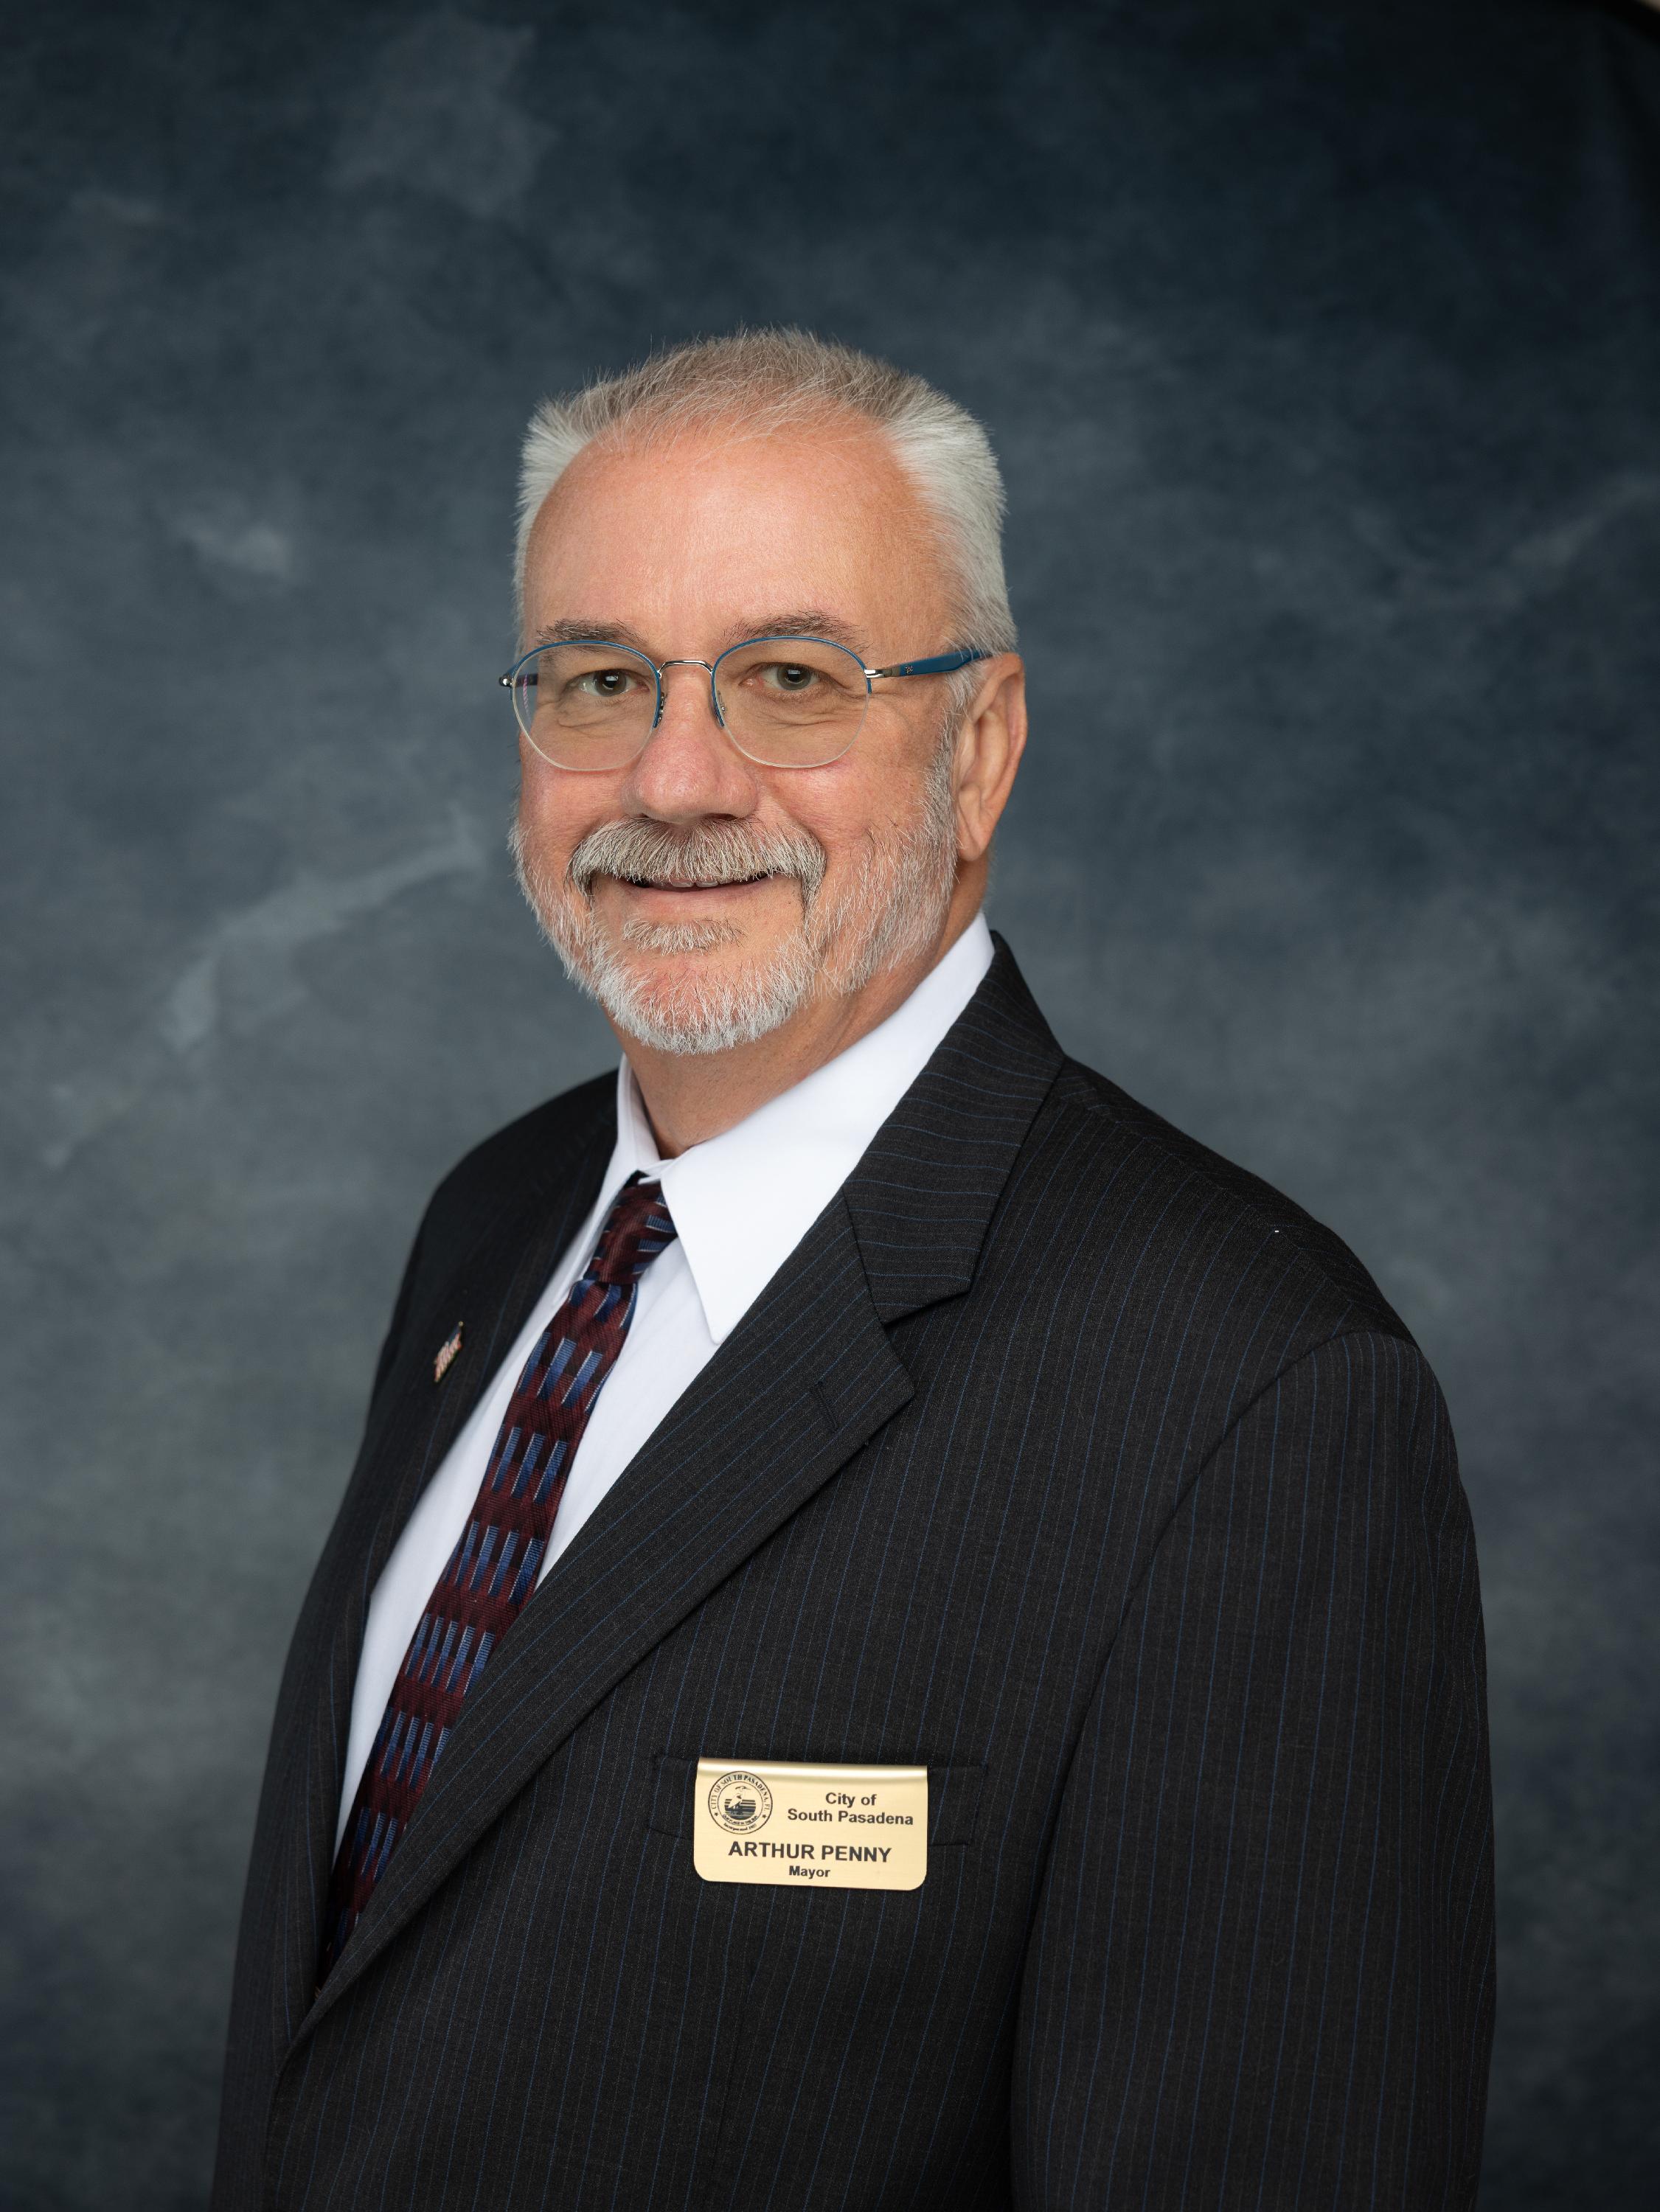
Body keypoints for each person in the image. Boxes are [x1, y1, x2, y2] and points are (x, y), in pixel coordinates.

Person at [213, 330, 1493, 2211]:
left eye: (790, 680)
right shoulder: (497, 1219)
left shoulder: (1254, 1394)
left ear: (975, 747)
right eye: (598, 680)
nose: (675, 775)